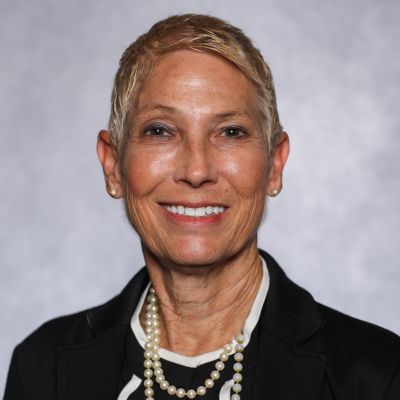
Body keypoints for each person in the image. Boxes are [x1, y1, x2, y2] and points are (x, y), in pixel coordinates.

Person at [4, 14, 400, 400]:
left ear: (274, 165)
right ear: (113, 166)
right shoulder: (42, 369)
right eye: (160, 131)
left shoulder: (378, 376)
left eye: (231, 132)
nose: (196, 171)